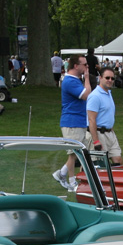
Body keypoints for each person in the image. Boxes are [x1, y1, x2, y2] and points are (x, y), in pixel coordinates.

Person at [52, 55, 91, 192]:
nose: (87, 67)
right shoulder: (70, 81)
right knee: (74, 153)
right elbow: (87, 95)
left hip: (77, 121)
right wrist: (87, 79)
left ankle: (61, 174)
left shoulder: (74, 80)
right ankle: (71, 182)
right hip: (72, 122)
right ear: (76, 66)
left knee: (78, 152)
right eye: (84, 65)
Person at [87, 67, 122, 165]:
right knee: (98, 165)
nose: (110, 80)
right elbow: (91, 119)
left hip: (110, 134)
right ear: (100, 78)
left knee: (118, 161)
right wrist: (96, 141)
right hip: (98, 134)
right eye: (107, 78)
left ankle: (113, 180)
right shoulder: (95, 96)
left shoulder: (108, 93)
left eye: (112, 78)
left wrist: (112, 131)